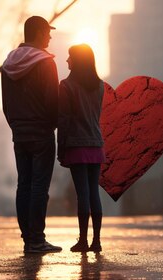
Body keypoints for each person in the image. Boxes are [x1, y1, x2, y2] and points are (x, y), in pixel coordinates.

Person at [2, 16, 62, 254]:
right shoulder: (46, 63)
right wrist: (52, 125)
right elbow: (52, 101)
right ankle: (37, 239)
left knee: (23, 185)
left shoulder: (8, 64)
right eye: (47, 32)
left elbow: (6, 104)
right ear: (37, 32)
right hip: (41, 133)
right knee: (38, 187)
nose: (50, 36)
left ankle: (28, 238)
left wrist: (16, 125)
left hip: (20, 134)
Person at [58, 44, 105, 252]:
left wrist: (61, 149)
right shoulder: (100, 86)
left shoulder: (66, 86)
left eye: (70, 57)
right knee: (94, 192)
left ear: (76, 61)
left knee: (82, 194)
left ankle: (83, 241)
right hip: (96, 144)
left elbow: (64, 120)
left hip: (76, 145)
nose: (67, 61)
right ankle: (96, 241)